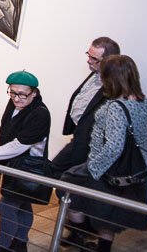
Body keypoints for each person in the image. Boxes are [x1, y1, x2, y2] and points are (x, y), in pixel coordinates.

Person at [60, 55, 147, 252]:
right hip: (127, 171)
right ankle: (101, 248)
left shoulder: (116, 108)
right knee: (108, 217)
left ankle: (80, 232)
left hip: (105, 171)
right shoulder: (144, 102)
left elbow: (114, 147)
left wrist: (92, 169)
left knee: (66, 189)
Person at [0, 70, 51, 252]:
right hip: (13, 166)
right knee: (23, 204)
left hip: (26, 169)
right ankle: (20, 244)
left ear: (34, 93)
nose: (17, 98)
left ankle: (2, 247)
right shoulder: (14, 103)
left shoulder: (40, 114)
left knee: (5, 206)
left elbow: (19, 145)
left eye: (22, 94)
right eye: (13, 92)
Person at [50, 37, 121, 178]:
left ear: (109, 61)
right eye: (88, 55)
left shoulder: (114, 88)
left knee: (69, 178)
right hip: (78, 137)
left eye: (94, 58)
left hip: (88, 146)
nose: (89, 60)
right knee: (54, 169)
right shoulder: (95, 72)